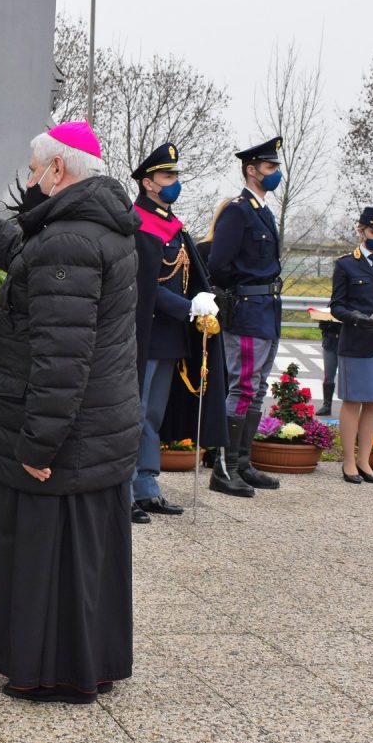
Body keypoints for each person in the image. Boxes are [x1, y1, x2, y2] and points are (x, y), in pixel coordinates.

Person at [0, 120, 139, 705]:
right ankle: (85, 662)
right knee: (82, 561)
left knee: (48, 555)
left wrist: (38, 444)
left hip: (64, 439)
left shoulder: (67, 242)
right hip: (96, 432)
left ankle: (49, 671)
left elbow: (61, 359)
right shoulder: (94, 227)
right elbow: (27, 255)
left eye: (33, 168)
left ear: (58, 169)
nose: (28, 179)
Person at [129, 142, 251, 526]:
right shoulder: (136, 223)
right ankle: (123, 490)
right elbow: (145, 285)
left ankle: (146, 486)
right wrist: (188, 307)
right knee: (133, 413)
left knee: (152, 414)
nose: (174, 182)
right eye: (167, 176)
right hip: (143, 333)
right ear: (148, 182)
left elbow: (187, 275)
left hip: (170, 336)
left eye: (176, 175)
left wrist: (203, 298)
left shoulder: (173, 225)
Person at [206, 136, 286, 492]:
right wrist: (238, 295)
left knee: (257, 388)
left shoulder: (262, 211)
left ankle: (242, 462)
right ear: (252, 170)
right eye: (270, 167)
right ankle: (223, 469)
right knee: (242, 387)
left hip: (267, 311)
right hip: (247, 311)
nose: (275, 173)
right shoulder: (238, 210)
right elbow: (218, 264)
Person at [329, 206, 373, 483]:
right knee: (353, 401)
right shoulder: (346, 264)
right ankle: (348, 462)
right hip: (357, 342)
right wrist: (354, 317)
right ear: (361, 230)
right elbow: (337, 305)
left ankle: (365, 461)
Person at [318, 316, 340, 416]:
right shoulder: (330, 307)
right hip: (330, 341)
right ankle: (327, 405)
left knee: (349, 378)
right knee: (328, 375)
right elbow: (322, 325)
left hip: (347, 342)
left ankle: (352, 406)